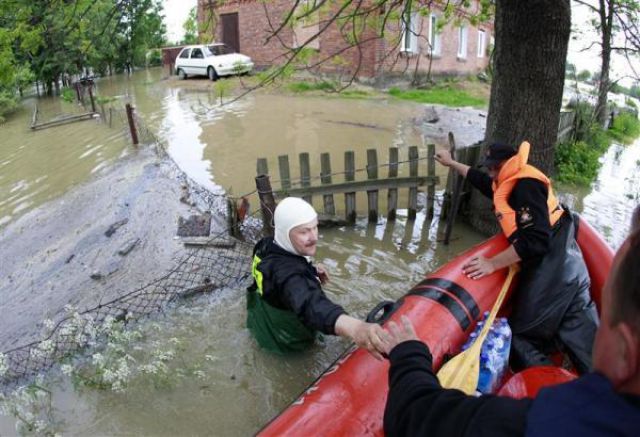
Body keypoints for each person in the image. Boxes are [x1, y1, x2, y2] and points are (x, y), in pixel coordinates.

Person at [379, 222, 640, 436]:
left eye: (605, 319)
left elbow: (413, 416)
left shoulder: (545, 426)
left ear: (625, 353)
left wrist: (409, 353)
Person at [435, 141, 598, 374]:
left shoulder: (525, 186)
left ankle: (555, 386)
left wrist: (492, 263)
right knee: (579, 326)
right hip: (570, 261)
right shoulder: (507, 179)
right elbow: (481, 181)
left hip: (556, 265)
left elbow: (536, 241)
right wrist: (451, 163)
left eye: (493, 168)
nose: (490, 172)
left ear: (506, 164)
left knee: (519, 338)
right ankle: (607, 385)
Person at [247, 196, 384, 356]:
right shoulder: (290, 276)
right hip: (286, 340)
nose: (314, 237)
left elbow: (281, 273)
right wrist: (355, 328)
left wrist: (310, 269)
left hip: (261, 319)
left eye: (315, 227)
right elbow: (310, 304)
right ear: (285, 233)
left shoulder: (266, 245)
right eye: (304, 231)